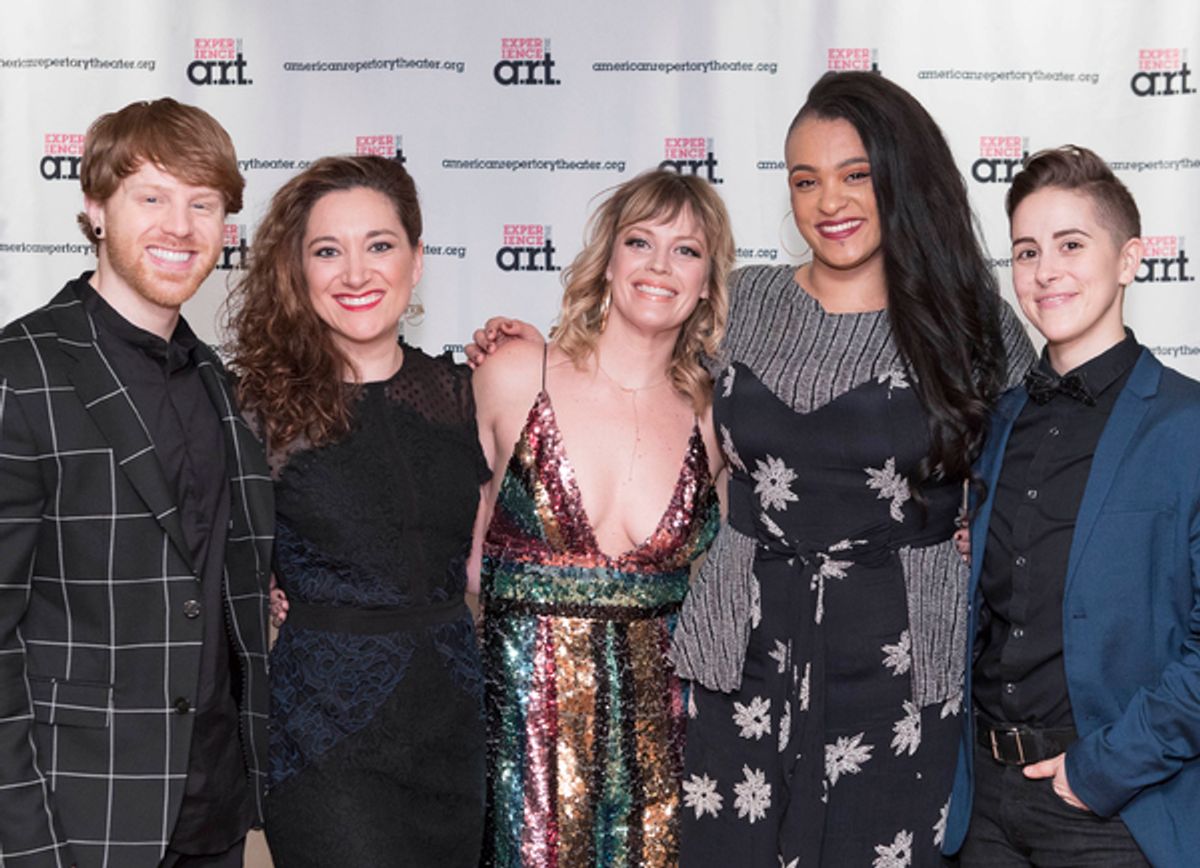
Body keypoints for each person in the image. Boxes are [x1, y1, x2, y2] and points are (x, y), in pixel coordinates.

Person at [0, 98, 273, 868]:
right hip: (76, 815)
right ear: (95, 208)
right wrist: (24, 843)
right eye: (151, 198)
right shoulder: (21, 376)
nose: (179, 228)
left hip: (215, 811)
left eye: (202, 204)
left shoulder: (217, 384)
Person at [224, 155, 489, 867]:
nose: (355, 273)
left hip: (454, 735)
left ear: (417, 259)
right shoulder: (255, 410)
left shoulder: (469, 394)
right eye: (327, 251)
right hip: (324, 739)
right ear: (297, 270)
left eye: (379, 245)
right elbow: (206, 559)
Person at [942, 146, 1200, 868]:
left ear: (1129, 260)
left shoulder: (1188, 425)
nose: (1045, 270)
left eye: (1071, 245)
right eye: (1027, 250)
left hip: (1113, 808)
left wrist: (1099, 775)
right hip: (984, 808)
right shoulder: (995, 423)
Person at [471, 169, 733, 867]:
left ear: (707, 281)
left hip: (662, 752)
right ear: (608, 261)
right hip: (519, 747)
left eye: (686, 251)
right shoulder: (515, 372)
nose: (658, 265)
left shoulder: (717, 417)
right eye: (639, 241)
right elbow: (423, 516)